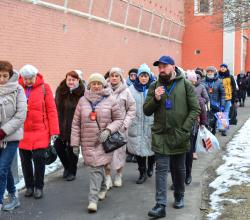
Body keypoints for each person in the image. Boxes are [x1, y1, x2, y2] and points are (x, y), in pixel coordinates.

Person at [143, 56, 200, 218]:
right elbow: (146, 110)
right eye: (159, 67)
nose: (161, 70)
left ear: (173, 67)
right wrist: (155, 98)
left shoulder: (186, 85)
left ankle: (179, 195)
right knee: (161, 169)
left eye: (164, 66)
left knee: (179, 169)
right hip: (161, 134)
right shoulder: (154, 86)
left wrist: (184, 129)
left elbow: (195, 109)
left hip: (179, 134)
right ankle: (160, 205)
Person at [70, 73, 123, 213]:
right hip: (87, 143)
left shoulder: (111, 100)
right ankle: (103, 188)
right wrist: (75, 143)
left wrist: (108, 131)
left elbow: (119, 119)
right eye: (93, 83)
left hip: (103, 142)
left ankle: (92, 200)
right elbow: (75, 124)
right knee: (96, 168)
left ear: (103, 85)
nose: (96, 86)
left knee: (96, 169)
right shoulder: (82, 101)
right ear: (89, 85)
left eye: (99, 83)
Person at [18, 64, 59, 199]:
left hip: (41, 130)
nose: (28, 81)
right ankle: (29, 186)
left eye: (31, 78)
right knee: (24, 160)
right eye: (26, 78)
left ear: (36, 76)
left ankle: (38, 186)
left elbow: (51, 110)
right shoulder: (17, 88)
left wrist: (54, 131)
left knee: (38, 159)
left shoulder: (44, 88)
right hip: (23, 131)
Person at [0, 61, 27, 211]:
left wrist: (3, 131)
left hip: (11, 136)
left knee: (1, 169)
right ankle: (14, 196)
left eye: (5, 76)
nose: (2, 79)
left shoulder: (18, 90)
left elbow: (21, 115)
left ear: (10, 76)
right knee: (4, 169)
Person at [105, 68, 136, 189]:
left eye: (116, 76)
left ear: (120, 77)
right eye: (112, 75)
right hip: (107, 127)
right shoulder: (104, 90)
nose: (114, 78)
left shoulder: (126, 92)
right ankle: (107, 177)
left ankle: (119, 175)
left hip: (121, 128)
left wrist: (126, 123)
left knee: (120, 153)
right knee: (106, 153)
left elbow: (132, 108)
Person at [127, 64, 155, 184]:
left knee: (152, 148)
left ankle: (150, 166)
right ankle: (142, 172)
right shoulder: (131, 90)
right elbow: (126, 105)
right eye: (141, 76)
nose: (144, 78)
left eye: (146, 76)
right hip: (136, 124)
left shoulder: (154, 88)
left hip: (150, 123)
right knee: (138, 150)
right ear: (138, 77)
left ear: (149, 76)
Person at [54, 71, 85, 181]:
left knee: (72, 149)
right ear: (66, 80)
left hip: (75, 126)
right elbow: (55, 108)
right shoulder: (60, 90)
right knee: (58, 146)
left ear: (78, 80)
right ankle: (67, 167)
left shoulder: (82, 92)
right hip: (61, 125)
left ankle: (72, 171)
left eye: (73, 80)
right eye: (69, 80)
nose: (71, 82)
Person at [185, 70, 208, 185]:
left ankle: (188, 174)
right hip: (179, 126)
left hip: (192, 126)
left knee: (189, 151)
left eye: (191, 81)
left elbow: (202, 107)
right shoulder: (180, 92)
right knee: (178, 153)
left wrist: (203, 122)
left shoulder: (195, 93)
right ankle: (178, 179)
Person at [204, 66, 225, 135]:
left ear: (214, 72)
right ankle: (208, 133)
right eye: (208, 72)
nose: (209, 73)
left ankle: (213, 132)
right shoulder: (203, 81)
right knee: (206, 120)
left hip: (215, 104)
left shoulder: (219, 81)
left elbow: (222, 95)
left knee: (214, 120)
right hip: (206, 104)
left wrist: (222, 105)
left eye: (211, 71)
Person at [218, 64, 237, 136]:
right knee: (221, 113)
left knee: (226, 113)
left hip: (228, 98)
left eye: (224, 67)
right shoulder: (218, 76)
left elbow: (234, 88)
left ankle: (224, 129)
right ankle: (221, 127)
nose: (222, 68)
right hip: (219, 98)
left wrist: (234, 99)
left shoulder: (230, 77)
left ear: (226, 68)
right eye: (221, 67)